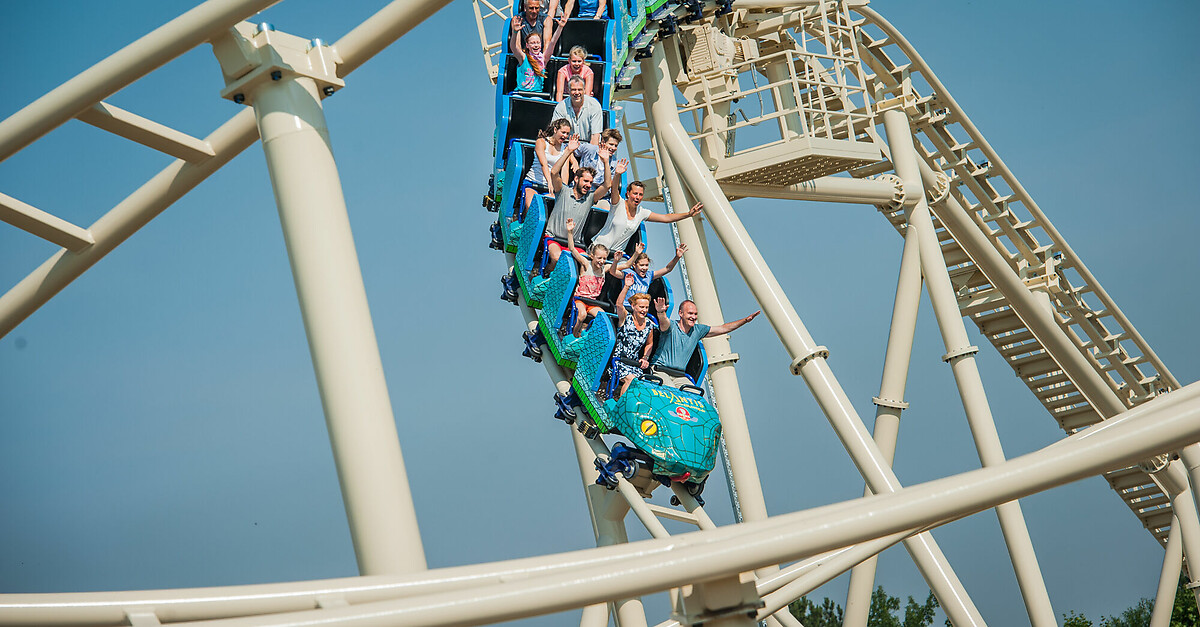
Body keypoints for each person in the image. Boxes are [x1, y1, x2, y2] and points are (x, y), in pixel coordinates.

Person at [543, 135, 624, 272]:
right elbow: (554, 172)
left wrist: (605, 161)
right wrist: (568, 151)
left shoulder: (590, 198)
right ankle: (547, 275)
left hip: (574, 244)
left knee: (588, 266)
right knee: (557, 258)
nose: (588, 185)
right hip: (554, 238)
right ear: (576, 179)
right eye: (585, 181)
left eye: (590, 182)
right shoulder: (562, 191)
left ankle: (579, 291)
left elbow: (607, 185)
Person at [650, 298, 761, 387]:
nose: (693, 317)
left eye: (695, 314)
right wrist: (660, 312)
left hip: (679, 376)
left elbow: (723, 329)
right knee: (671, 392)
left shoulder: (698, 330)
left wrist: (745, 321)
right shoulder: (671, 326)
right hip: (661, 370)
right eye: (690, 313)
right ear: (681, 313)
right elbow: (663, 321)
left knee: (695, 396)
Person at [564, 218, 633, 337]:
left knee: (603, 319)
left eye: (604, 259)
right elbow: (572, 249)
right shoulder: (586, 264)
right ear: (592, 256)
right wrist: (570, 232)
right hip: (580, 299)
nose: (601, 261)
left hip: (592, 302)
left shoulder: (604, 269)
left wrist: (633, 254)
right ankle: (573, 336)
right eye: (599, 258)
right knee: (582, 315)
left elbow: (626, 265)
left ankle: (587, 337)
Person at [592, 183, 703, 253]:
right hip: (599, 248)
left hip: (616, 255)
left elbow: (665, 218)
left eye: (640, 195)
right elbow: (614, 187)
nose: (637, 197)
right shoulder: (618, 204)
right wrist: (617, 174)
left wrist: (688, 214)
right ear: (628, 194)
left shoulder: (642, 212)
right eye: (635, 193)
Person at [611, 274, 659, 399]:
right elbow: (619, 305)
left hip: (634, 364)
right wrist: (627, 286)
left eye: (646, 307)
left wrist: (645, 357)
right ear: (633, 306)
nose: (644, 310)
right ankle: (620, 408)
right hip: (618, 361)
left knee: (642, 384)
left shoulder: (649, 324)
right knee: (631, 380)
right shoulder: (626, 318)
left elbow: (649, 343)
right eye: (641, 307)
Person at [520, 118, 571, 219]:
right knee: (532, 207)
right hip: (533, 182)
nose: (565, 136)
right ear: (555, 130)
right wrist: (549, 183)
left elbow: (565, 171)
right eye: (563, 132)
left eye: (567, 133)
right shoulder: (541, 142)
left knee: (552, 210)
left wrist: (562, 190)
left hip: (550, 188)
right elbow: (544, 165)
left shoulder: (565, 149)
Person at [621, 245, 685, 308]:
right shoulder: (629, 273)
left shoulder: (649, 275)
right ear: (634, 265)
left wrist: (677, 257)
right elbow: (613, 272)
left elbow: (667, 269)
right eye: (641, 265)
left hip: (641, 309)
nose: (644, 268)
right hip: (627, 307)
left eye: (646, 265)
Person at [510, 22, 563, 93]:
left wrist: (560, 27)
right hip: (521, 93)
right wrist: (515, 32)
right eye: (532, 43)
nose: (536, 45)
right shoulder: (523, 58)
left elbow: (553, 42)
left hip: (537, 94)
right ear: (527, 45)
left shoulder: (543, 59)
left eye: (538, 43)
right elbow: (513, 47)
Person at [552, 76, 604, 144]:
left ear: (584, 90)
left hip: (587, 146)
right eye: (574, 90)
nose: (577, 93)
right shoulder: (561, 107)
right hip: (566, 145)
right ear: (568, 90)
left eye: (579, 90)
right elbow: (555, 133)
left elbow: (595, 136)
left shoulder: (594, 106)